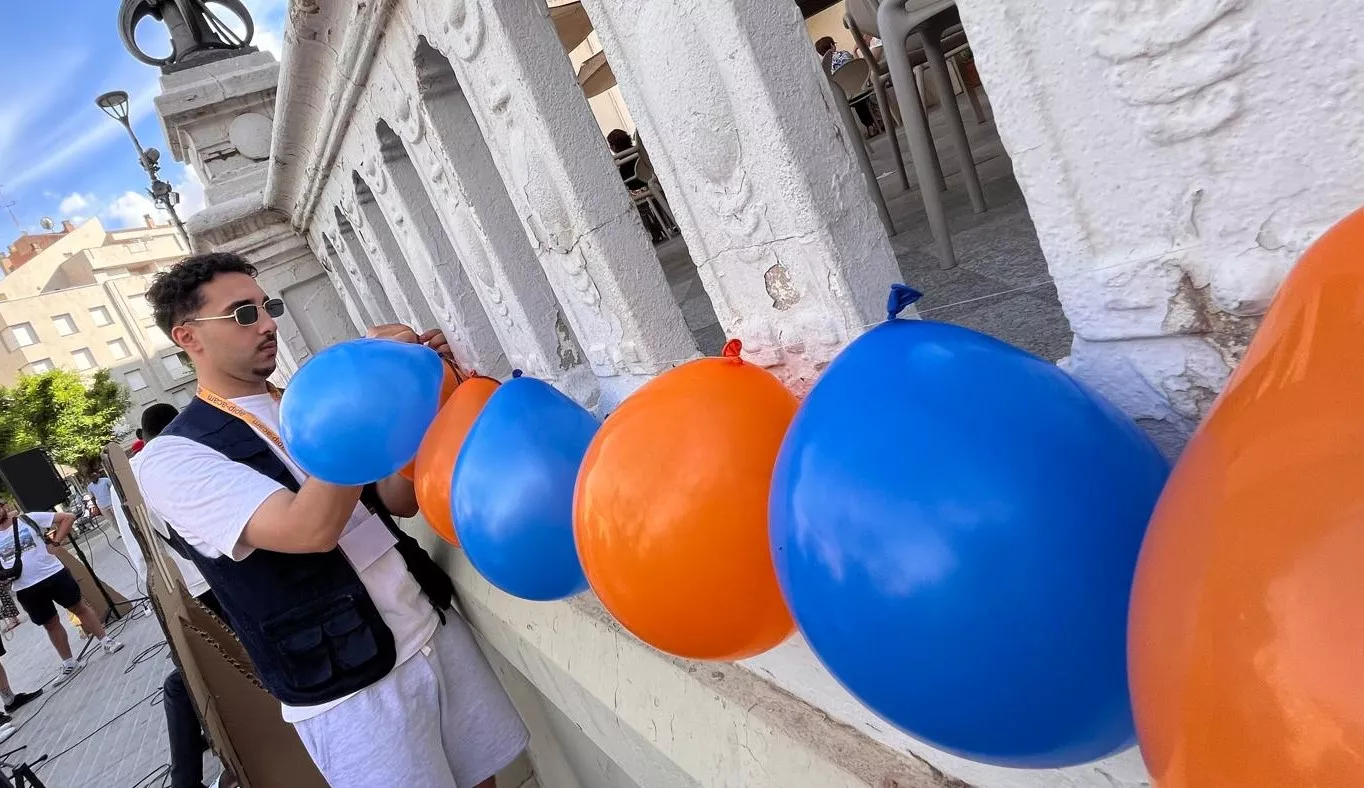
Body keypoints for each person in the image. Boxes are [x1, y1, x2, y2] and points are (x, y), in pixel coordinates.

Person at [136, 253, 528, 788]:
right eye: (243, 314)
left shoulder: (303, 397)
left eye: (267, 306)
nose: (269, 323)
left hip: (427, 623)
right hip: (350, 685)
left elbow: (395, 500)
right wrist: (365, 394)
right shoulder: (171, 457)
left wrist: (421, 392)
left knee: (486, 779)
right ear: (189, 337)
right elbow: (308, 530)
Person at [112, 403, 236, 788]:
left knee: (197, 672)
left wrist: (158, 600)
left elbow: (138, 548)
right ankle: (193, 772)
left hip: (178, 592)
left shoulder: (127, 476)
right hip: (208, 585)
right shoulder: (174, 458)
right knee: (193, 676)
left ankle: (200, 765)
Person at [0, 506, 125, 686]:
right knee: (50, 623)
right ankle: (69, 662)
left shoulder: (28, 518)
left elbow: (68, 517)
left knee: (78, 607)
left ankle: (106, 640)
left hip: (53, 573)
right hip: (25, 587)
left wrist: (56, 542)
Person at [814, 35, 883, 135]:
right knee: (860, 97)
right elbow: (859, 69)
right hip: (860, 88)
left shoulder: (824, 67)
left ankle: (869, 125)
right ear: (832, 45)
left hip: (844, 96)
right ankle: (875, 124)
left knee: (856, 100)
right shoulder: (845, 54)